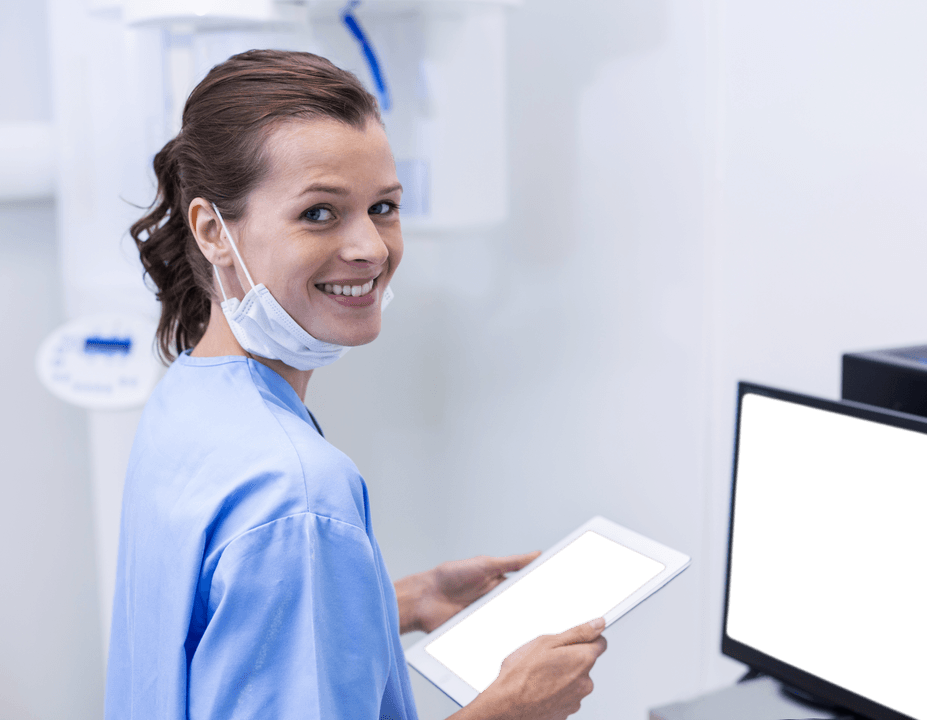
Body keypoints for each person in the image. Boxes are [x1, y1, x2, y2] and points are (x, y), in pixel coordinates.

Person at [105, 49, 607, 720]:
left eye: (384, 207)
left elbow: (210, 631)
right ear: (211, 231)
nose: (370, 247)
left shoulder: (186, 401)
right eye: (319, 213)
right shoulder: (298, 490)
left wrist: (394, 599)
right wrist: (513, 707)